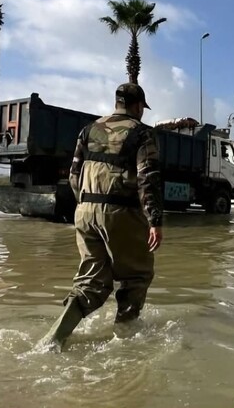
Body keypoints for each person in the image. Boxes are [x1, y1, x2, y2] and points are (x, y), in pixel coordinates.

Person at [39, 83, 164, 352]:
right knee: (136, 276)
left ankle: (53, 339)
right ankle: (125, 340)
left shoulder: (88, 130)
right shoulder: (143, 133)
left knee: (90, 282)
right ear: (139, 106)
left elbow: (74, 175)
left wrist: (85, 206)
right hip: (121, 212)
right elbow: (148, 180)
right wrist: (154, 221)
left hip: (84, 211)